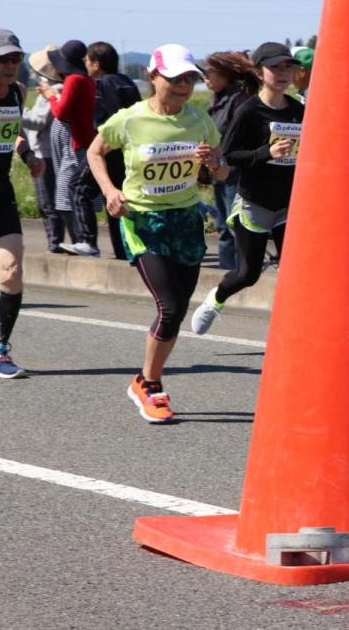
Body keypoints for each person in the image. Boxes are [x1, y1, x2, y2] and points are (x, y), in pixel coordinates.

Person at [87, 43, 229, 422]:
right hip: (143, 221)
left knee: (177, 311)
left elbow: (223, 170)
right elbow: (95, 151)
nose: (183, 86)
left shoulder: (199, 121)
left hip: (185, 221)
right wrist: (110, 191)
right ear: (153, 78)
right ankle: (150, 385)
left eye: (189, 79)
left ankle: (144, 380)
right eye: (175, 79)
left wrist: (214, 164)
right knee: (169, 306)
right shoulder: (130, 119)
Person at [190, 43, 303, 335]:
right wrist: (266, 153)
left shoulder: (299, 110)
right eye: (275, 67)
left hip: (290, 204)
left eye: (288, 67)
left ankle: (296, 328)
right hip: (255, 202)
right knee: (248, 274)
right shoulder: (249, 110)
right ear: (258, 71)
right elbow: (230, 155)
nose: (283, 73)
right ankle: (214, 300)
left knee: (298, 269)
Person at [0, 28, 44, 378]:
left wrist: (27, 154)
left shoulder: (18, 91)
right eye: (1, 58)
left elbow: (14, 130)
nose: (10, 65)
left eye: (15, 58)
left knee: (11, 271)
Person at [83, 42, 143, 260]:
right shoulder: (126, 81)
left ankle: (87, 241)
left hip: (111, 151)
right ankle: (124, 251)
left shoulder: (105, 83)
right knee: (118, 200)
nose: (86, 65)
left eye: (87, 61)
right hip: (130, 150)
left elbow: (109, 121)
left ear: (97, 64)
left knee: (82, 190)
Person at [200, 50, 258, 270]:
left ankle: (242, 274)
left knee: (235, 227)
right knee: (223, 227)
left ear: (225, 74)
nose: (205, 76)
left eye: (209, 72)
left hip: (234, 174)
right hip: (220, 174)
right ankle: (226, 274)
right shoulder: (217, 100)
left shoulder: (239, 100)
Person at [46, 40, 100, 256]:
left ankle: (83, 241)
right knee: (80, 191)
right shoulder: (87, 79)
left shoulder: (73, 80)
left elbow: (61, 112)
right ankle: (84, 241)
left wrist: (50, 96)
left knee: (69, 191)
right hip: (88, 140)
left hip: (78, 143)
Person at [23, 46, 67, 253]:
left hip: (44, 152)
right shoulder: (58, 88)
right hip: (50, 151)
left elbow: (37, 121)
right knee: (50, 202)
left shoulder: (53, 90)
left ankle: (54, 244)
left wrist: (15, 112)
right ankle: (56, 242)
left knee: (47, 203)